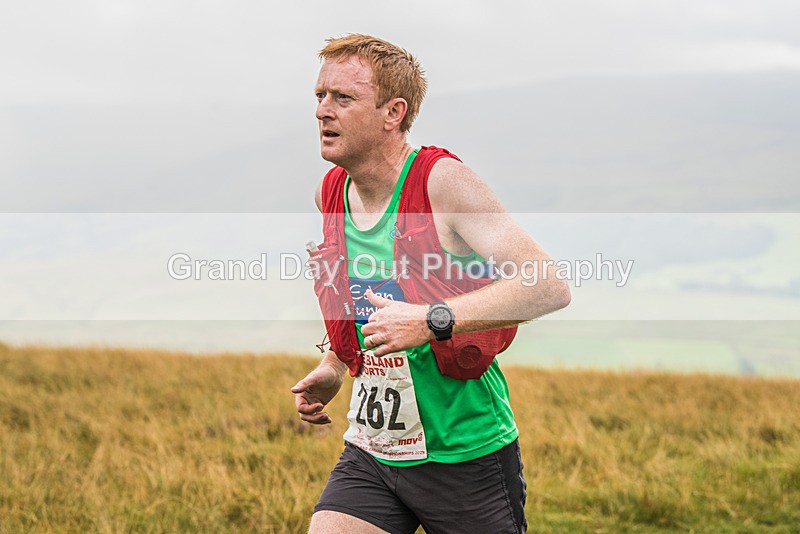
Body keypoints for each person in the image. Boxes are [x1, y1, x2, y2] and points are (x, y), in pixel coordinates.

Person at [291, 34, 571, 534]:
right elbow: (365, 299)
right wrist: (336, 364)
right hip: (373, 451)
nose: (322, 111)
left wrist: (430, 320)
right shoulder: (330, 193)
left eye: (343, 98)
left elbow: (547, 284)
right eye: (319, 96)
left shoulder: (441, 183)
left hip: (466, 455)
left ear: (392, 112)